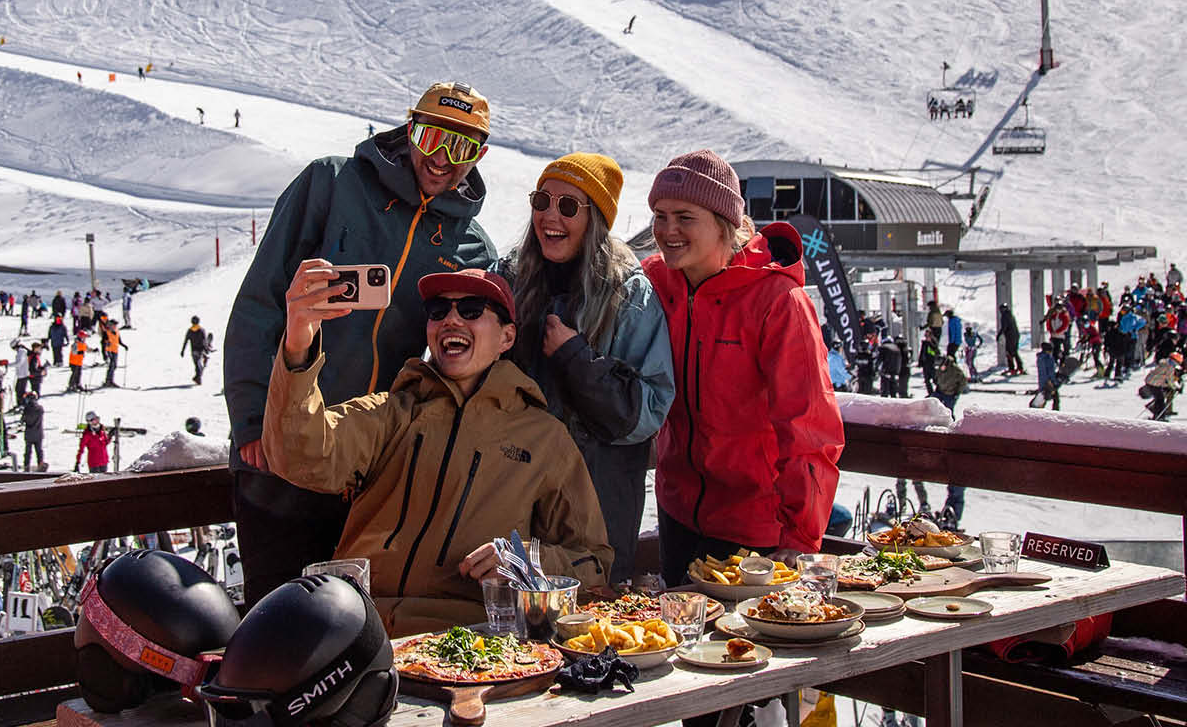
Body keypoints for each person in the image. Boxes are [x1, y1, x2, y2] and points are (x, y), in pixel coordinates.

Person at [223, 82, 498, 603]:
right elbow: (259, 302)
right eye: (430, 137)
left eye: (460, 148)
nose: (441, 159)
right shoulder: (331, 184)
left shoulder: (470, 246)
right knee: (276, 618)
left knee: (348, 622)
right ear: (408, 129)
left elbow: (457, 360)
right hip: (278, 451)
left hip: (368, 468)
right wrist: (251, 417)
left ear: (479, 156)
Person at [263, 265, 611, 635]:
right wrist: (298, 343)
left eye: (472, 310)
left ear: (507, 337)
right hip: (359, 625)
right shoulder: (392, 413)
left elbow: (593, 562)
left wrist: (526, 561)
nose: (451, 320)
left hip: (470, 635)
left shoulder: (543, 438)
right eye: (438, 311)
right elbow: (297, 455)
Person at [642, 150, 844, 587]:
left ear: (724, 223)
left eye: (684, 217)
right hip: (679, 512)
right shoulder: (655, 283)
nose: (667, 231)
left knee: (744, 651)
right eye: (660, 216)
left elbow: (809, 426)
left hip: (758, 528)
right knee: (682, 642)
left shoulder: (776, 302)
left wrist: (801, 537)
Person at [490, 153, 674, 583]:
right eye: (542, 201)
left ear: (596, 219)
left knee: (589, 629)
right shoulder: (508, 277)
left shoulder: (628, 294)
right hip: (514, 494)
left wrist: (576, 359)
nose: (550, 216)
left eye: (568, 206)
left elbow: (646, 411)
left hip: (595, 503)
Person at [1142, 353, 1181, 420]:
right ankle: (1159, 416)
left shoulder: (1165, 364)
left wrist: (1167, 385)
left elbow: (1161, 377)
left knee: (1159, 399)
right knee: (1160, 400)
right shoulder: (1170, 367)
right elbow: (1169, 379)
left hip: (1151, 382)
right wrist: (1175, 388)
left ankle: (1157, 415)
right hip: (1154, 383)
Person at [181, 315, 213, 384]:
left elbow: (186, 341)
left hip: (194, 351)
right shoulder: (201, 330)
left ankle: (197, 377)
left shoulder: (190, 331)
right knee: (198, 365)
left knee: (197, 364)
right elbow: (204, 341)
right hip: (201, 350)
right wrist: (207, 349)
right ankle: (198, 377)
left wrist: (183, 351)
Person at [20, 390, 47, 471]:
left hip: (29, 434)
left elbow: (23, 420)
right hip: (39, 433)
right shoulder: (40, 408)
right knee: (39, 451)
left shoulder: (26, 409)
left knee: (28, 452)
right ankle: (40, 464)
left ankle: (26, 466)